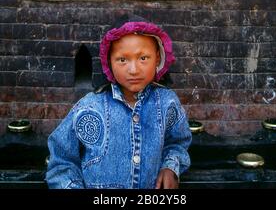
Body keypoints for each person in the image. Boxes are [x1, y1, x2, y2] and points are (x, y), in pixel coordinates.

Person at [46, 15, 192, 189]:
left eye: (143, 58)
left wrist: (170, 166)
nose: (133, 69)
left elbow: (177, 142)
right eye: (122, 60)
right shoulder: (89, 107)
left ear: (158, 58)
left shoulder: (167, 103)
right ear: (109, 62)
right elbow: (61, 162)